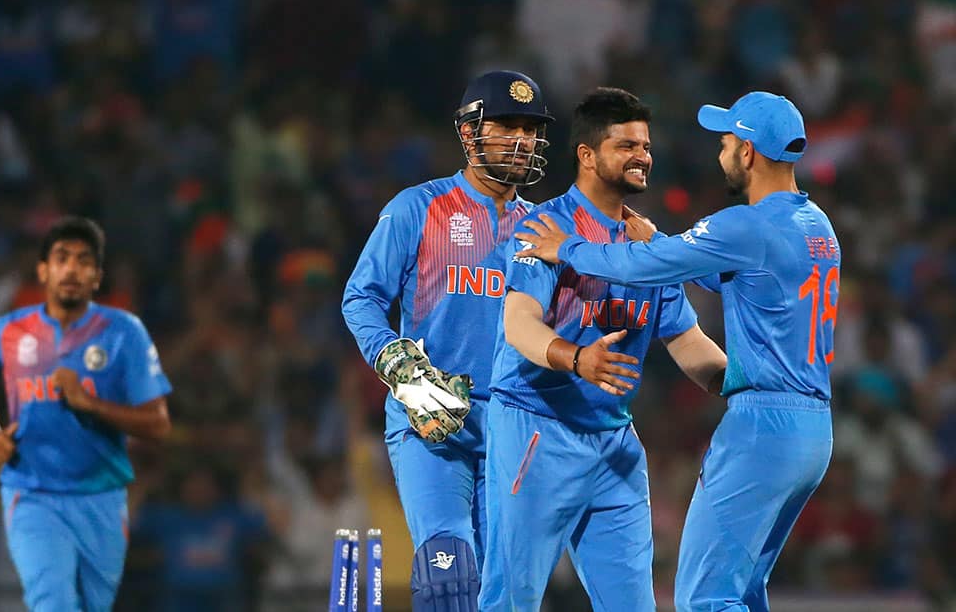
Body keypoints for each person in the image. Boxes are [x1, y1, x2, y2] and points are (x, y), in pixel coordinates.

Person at [515, 91, 840, 612]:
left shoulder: (744, 224)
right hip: (814, 431)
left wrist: (568, 247)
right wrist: (664, 242)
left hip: (763, 425)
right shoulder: (816, 226)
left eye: (727, 142)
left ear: (749, 153)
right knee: (743, 591)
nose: (720, 153)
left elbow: (647, 268)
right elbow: (737, 276)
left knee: (705, 597)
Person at [480, 87, 727, 612]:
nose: (642, 156)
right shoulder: (545, 228)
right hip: (537, 430)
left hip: (615, 444)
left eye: (646, 145)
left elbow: (684, 340)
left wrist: (749, 384)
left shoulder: (646, 243)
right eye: (626, 146)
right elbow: (519, 324)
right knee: (510, 600)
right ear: (587, 155)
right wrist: (577, 358)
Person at [341, 69, 554, 610]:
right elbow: (361, 298)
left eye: (531, 129)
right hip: (431, 420)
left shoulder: (545, 231)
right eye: (508, 126)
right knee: (449, 577)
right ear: (470, 132)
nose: (523, 140)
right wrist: (397, 366)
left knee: (501, 591)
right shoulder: (419, 208)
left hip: (512, 429)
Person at [0, 216, 172, 612]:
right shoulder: (7, 332)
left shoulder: (125, 332)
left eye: (84, 260)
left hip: (102, 498)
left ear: (97, 276)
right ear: (43, 271)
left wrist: (92, 405)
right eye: (61, 258)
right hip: (32, 492)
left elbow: (158, 424)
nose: (72, 269)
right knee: (54, 603)